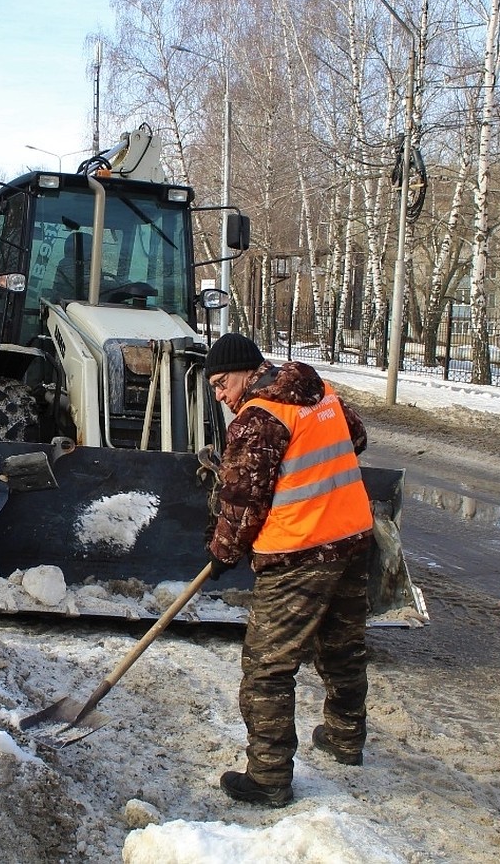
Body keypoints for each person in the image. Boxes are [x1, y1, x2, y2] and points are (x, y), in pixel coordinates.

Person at [204, 332, 375, 808]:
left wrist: (223, 552)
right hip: (352, 540)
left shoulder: (258, 418)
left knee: (267, 669)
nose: (220, 395)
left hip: (296, 555)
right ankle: (345, 737)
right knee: (342, 647)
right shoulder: (320, 392)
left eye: (221, 383)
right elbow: (355, 438)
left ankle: (268, 777)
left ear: (247, 371)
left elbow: (242, 502)